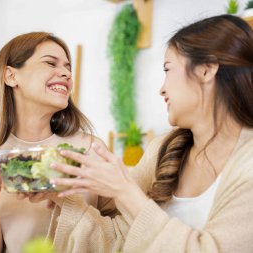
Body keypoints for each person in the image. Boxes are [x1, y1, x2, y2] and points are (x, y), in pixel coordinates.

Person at [46, 14, 253, 252]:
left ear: (206, 70)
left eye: (168, 69)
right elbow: (119, 239)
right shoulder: (162, 150)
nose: (161, 89)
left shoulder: (248, 166)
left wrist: (125, 191)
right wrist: (63, 200)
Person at [0, 32, 118, 253]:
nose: (66, 73)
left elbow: (115, 235)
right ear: (10, 76)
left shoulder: (89, 150)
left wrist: (66, 199)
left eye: (68, 68)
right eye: (50, 63)